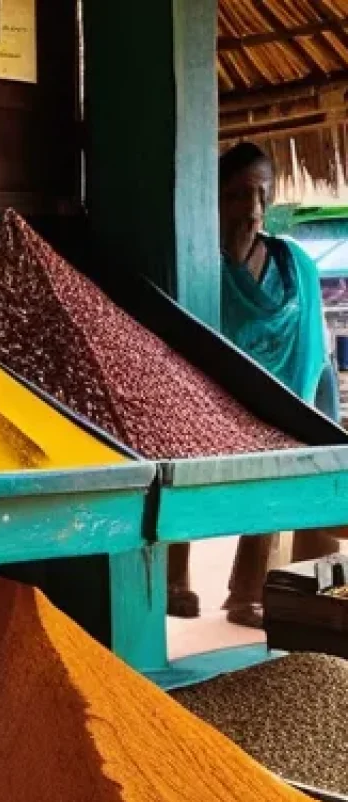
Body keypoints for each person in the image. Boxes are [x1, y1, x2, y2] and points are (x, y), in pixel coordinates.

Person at [167, 141, 340, 628]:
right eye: (240, 195)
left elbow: (311, 345)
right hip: (206, 398)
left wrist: (299, 404)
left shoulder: (293, 266)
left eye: (262, 194)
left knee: (278, 469)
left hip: (280, 398)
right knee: (183, 462)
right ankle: (174, 579)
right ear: (216, 199)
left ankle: (247, 592)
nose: (254, 209)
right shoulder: (196, 264)